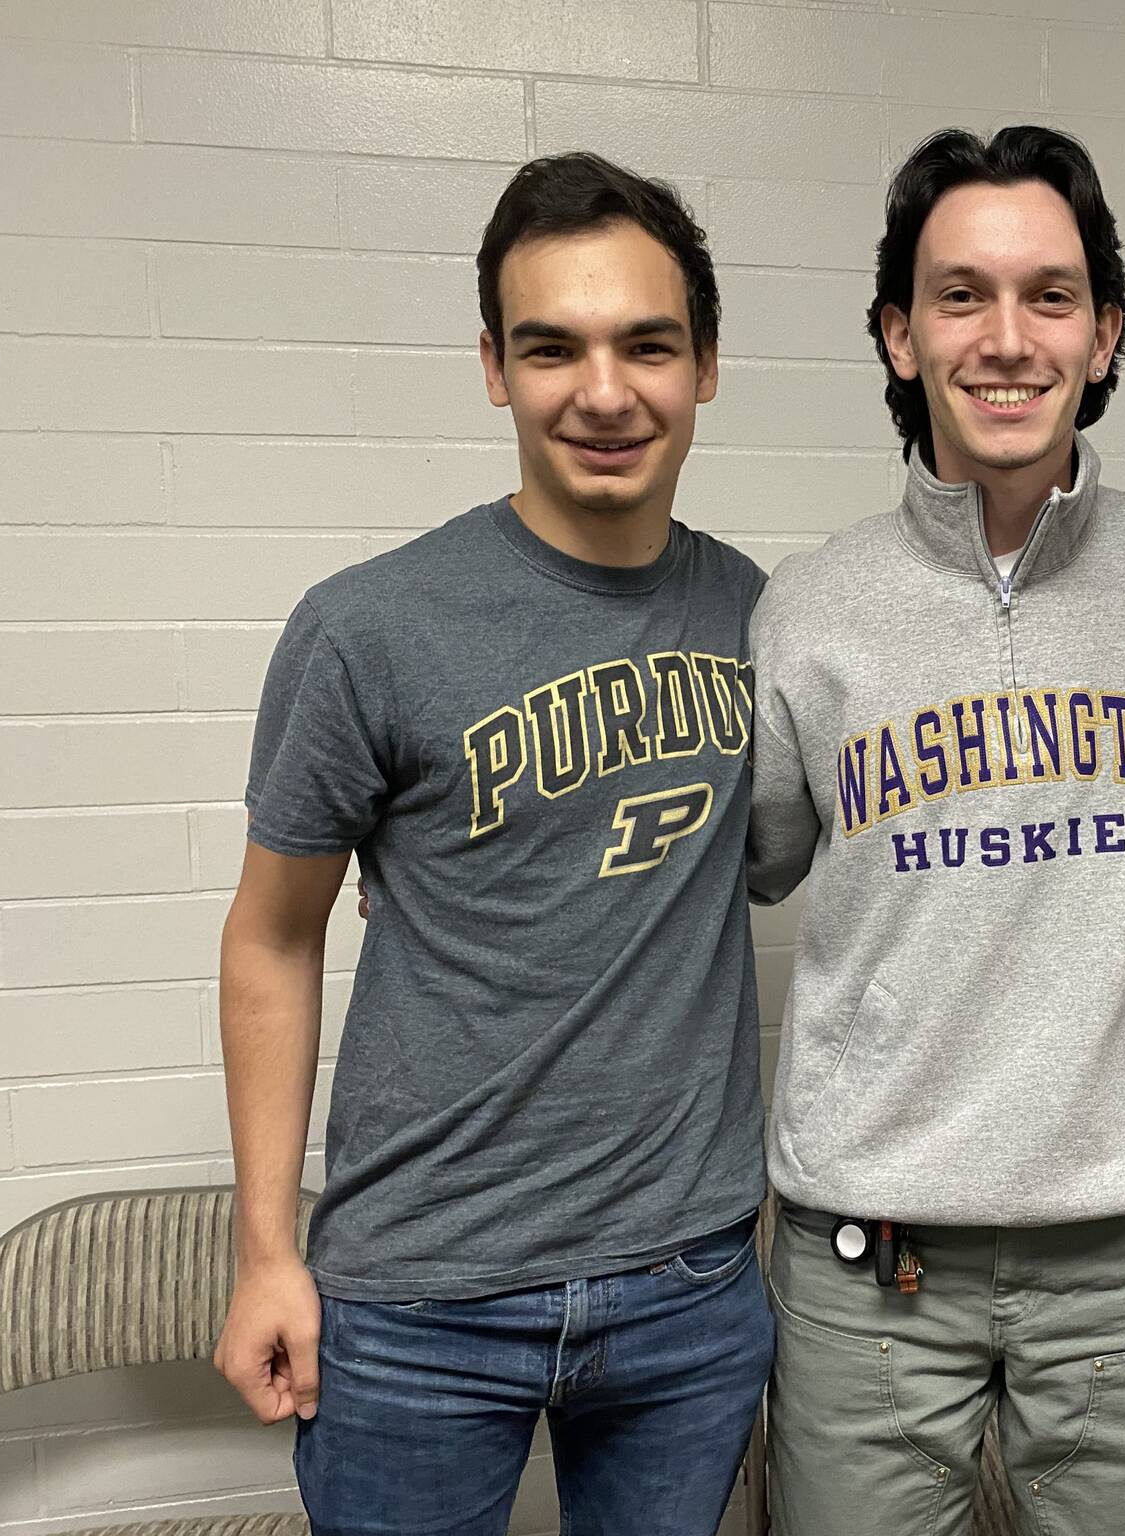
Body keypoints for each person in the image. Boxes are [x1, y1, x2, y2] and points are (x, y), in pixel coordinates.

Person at [213, 152, 772, 1536]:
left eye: (647, 344)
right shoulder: (369, 628)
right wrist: (268, 1252)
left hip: (689, 1289)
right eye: (551, 347)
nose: (602, 391)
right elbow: (270, 942)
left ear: (705, 365)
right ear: (492, 368)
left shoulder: (762, 616)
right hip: (418, 1300)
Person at [746, 125, 1125, 1536]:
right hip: (869, 1257)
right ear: (900, 335)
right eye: (960, 295)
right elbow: (758, 862)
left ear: (1107, 335)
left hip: (1122, 1253)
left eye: (1052, 296)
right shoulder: (811, 608)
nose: (1007, 339)